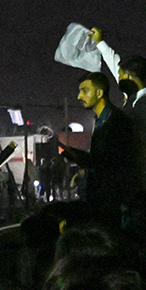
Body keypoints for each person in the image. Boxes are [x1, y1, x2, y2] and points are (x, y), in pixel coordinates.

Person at [89, 27, 146, 190]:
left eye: (121, 75)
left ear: (128, 76)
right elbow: (114, 63)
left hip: (142, 182)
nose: (118, 78)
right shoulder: (134, 97)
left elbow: (140, 147)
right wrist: (100, 42)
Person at [58, 71, 133, 225]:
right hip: (104, 199)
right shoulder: (103, 119)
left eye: (85, 91)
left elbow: (112, 162)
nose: (79, 96)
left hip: (111, 202)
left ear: (99, 93)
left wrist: (82, 158)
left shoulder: (116, 121)